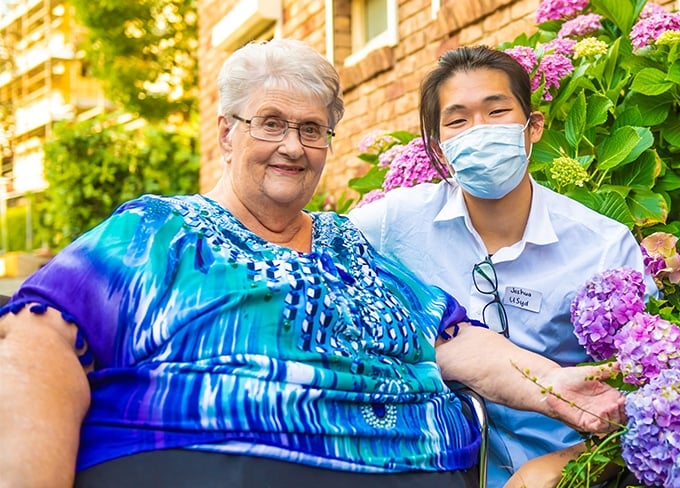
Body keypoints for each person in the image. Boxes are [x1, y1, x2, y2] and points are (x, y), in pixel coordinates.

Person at [0, 38, 484, 488]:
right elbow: (42, 339)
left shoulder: (349, 244)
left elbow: (449, 338)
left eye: (312, 129)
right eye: (271, 122)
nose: (293, 146)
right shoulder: (159, 228)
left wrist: (551, 383)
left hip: (413, 459)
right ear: (227, 133)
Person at [349, 45, 656, 487]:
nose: (479, 131)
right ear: (438, 145)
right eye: (458, 120)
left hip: (569, 474)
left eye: (497, 112)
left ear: (533, 127)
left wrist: (558, 469)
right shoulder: (394, 224)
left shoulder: (603, 246)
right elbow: (305, 249)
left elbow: (645, 399)